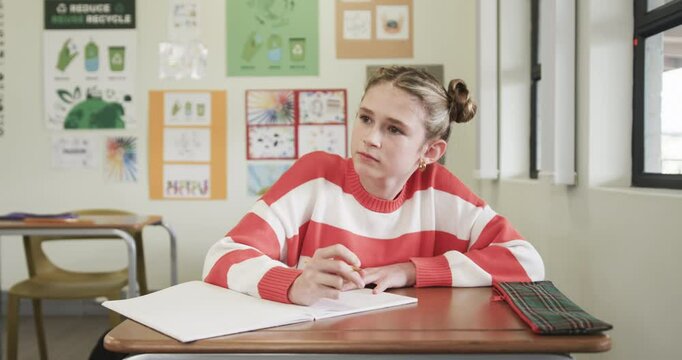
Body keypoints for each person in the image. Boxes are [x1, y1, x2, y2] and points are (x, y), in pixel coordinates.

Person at [203, 66, 544, 306]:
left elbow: (526, 261)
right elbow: (221, 257)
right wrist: (293, 283)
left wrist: (411, 270)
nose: (370, 138)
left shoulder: (440, 191)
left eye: (394, 129)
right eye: (366, 118)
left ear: (430, 151)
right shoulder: (315, 177)